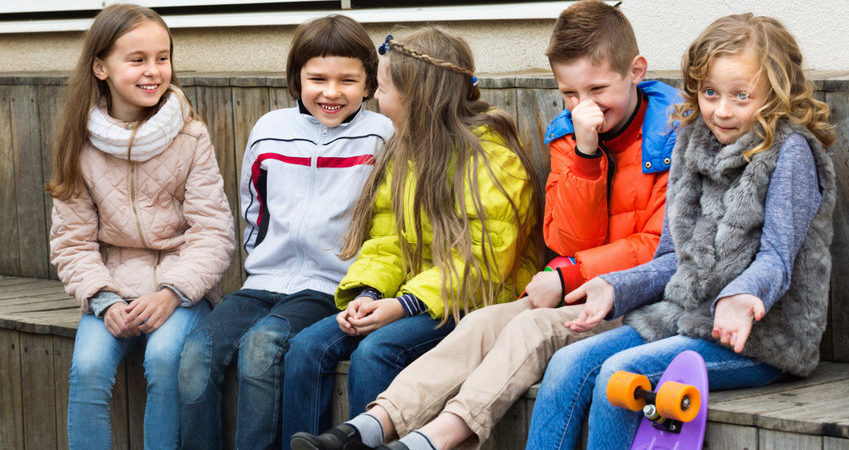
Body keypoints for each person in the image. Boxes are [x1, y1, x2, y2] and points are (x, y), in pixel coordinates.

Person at [289, 2, 679, 449]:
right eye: (569, 94)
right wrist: (587, 156)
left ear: (636, 70)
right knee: (480, 326)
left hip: (643, 297)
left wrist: (568, 272)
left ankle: (429, 441)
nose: (583, 106)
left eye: (597, 89)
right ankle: (366, 431)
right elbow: (572, 240)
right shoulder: (571, 134)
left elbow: (660, 245)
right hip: (576, 290)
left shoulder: (674, 135)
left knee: (519, 329)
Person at [527, 12, 837, 449]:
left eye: (740, 96)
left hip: (759, 342)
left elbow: (778, 260)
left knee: (621, 375)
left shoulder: (789, 154)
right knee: (566, 364)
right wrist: (615, 286)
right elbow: (673, 258)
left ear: (775, 95)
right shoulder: (692, 140)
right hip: (683, 318)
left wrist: (740, 299)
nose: (721, 110)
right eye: (709, 93)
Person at [284, 27, 543, 450]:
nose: (375, 97)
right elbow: (386, 239)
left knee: (377, 351)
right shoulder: (405, 151)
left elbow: (480, 263)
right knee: (307, 347)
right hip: (412, 296)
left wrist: (402, 305)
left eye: (382, 88)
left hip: (471, 301)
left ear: (416, 96)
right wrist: (368, 293)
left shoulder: (494, 160)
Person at [176, 15, 393, 450]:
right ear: (296, 80)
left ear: (368, 84)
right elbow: (254, 206)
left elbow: (386, 219)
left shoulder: (380, 136)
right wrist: (262, 264)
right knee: (195, 351)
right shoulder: (270, 131)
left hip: (330, 285)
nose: (331, 92)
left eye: (347, 80)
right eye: (317, 78)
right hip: (264, 282)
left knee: (262, 347)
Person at [47, 4, 236, 449]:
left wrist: (172, 292)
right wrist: (102, 297)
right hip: (111, 286)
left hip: (181, 287)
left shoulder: (190, 137)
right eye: (137, 60)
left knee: (167, 358)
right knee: (89, 367)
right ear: (100, 67)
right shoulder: (79, 143)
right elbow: (71, 242)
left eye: (162, 57)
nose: (153, 71)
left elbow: (213, 232)